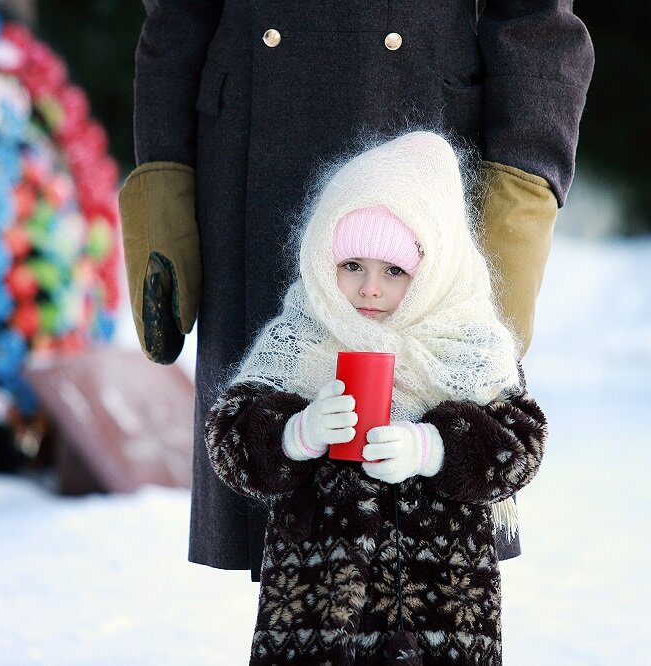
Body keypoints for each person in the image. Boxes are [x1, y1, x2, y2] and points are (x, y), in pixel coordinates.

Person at [119, 0, 592, 581]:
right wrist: (163, 178)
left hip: (418, 139)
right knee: (287, 477)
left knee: (430, 537)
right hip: (251, 150)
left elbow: (534, 16)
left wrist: (521, 194)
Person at [204, 131, 548, 664]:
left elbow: (521, 445)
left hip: (444, 614)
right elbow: (228, 437)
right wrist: (298, 432)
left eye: (394, 271)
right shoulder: (303, 332)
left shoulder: (469, 341)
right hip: (315, 614)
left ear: (433, 269)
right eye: (351, 266)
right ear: (323, 260)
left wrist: (432, 448)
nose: (369, 289)